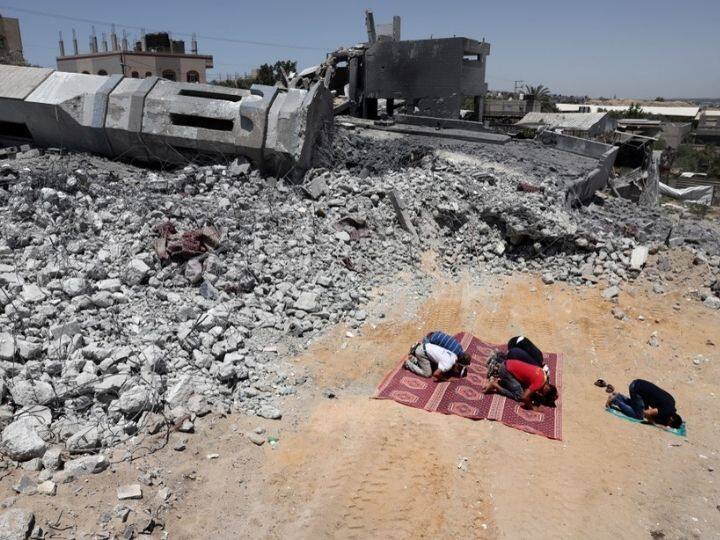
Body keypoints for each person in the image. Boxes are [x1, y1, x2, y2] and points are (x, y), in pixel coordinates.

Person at [485, 356, 558, 409]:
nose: (540, 393)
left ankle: (502, 381)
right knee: (519, 396)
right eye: (543, 394)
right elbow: (524, 397)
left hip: (508, 363)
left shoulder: (543, 374)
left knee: (523, 388)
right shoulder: (539, 384)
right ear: (545, 391)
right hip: (505, 370)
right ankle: (495, 385)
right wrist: (532, 407)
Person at [607, 379, 683, 429]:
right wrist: (654, 423)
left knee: (638, 408)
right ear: (671, 419)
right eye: (669, 424)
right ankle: (615, 400)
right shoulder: (666, 410)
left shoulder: (672, 404)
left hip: (639, 384)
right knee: (639, 415)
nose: (667, 425)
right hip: (636, 389)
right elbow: (646, 413)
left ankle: (619, 397)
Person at [405, 338, 471, 381]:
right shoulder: (448, 365)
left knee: (434, 365)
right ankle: (408, 363)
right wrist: (447, 380)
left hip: (427, 345)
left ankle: (414, 358)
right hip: (422, 352)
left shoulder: (454, 356)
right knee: (427, 374)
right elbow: (436, 374)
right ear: (457, 371)